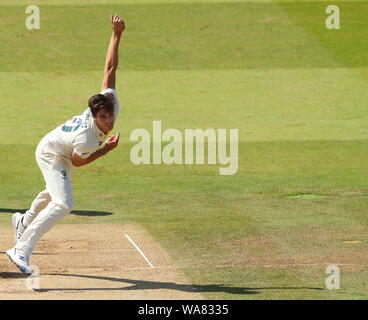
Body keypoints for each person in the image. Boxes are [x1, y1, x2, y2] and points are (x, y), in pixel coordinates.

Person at [6, 14, 125, 275]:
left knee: (53, 193)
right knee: (63, 204)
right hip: (52, 153)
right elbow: (78, 161)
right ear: (94, 116)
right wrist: (105, 149)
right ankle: (21, 250)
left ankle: (23, 222)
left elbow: (109, 69)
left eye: (110, 115)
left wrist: (116, 35)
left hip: (62, 149)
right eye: (103, 118)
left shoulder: (109, 101)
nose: (109, 120)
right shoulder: (88, 136)